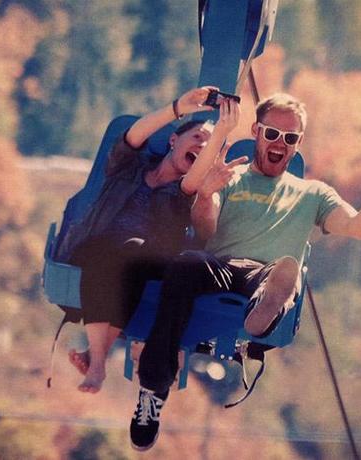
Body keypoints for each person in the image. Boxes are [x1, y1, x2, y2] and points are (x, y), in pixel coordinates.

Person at [129, 92, 361, 451]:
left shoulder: (314, 193)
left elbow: (359, 227)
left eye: (290, 138)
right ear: (255, 132)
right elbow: (205, 230)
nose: (280, 143)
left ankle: (268, 304)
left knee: (284, 271)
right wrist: (205, 195)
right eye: (271, 134)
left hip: (264, 274)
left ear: (297, 145)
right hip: (220, 266)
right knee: (186, 262)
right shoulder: (230, 176)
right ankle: (153, 389)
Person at [62, 87, 244, 395]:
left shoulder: (183, 193)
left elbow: (193, 181)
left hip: (149, 259)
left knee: (132, 256)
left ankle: (96, 363)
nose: (203, 145)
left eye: (209, 144)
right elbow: (133, 136)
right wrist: (178, 108)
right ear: (174, 140)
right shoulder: (129, 168)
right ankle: (97, 358)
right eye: (198, 137)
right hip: (100, 250)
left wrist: (221, 133)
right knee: (106, 252)